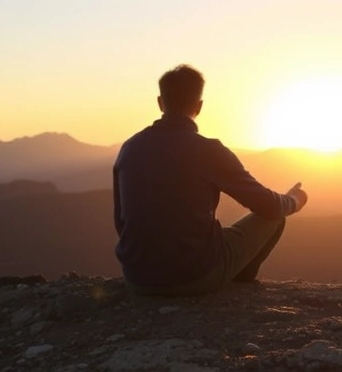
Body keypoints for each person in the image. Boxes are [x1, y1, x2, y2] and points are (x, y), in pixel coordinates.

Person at [113, 64, 308, 295]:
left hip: (137, 279)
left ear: (160, 102)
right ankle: (236, 284)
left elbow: (121, 221)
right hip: (194, 278)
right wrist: (294, 199)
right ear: (199, 106)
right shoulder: (209, 151)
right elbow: (270, 206)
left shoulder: (130, 148)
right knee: (274, 218)